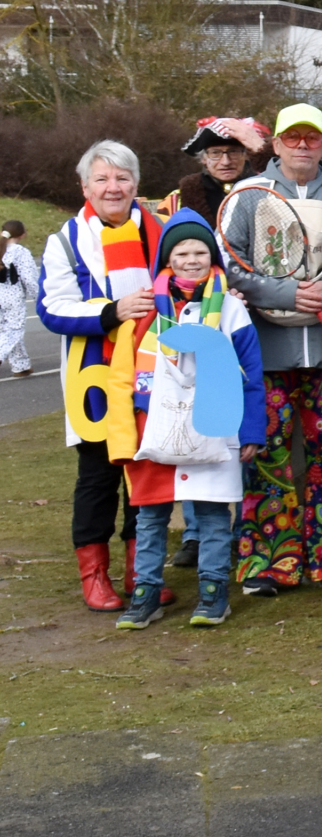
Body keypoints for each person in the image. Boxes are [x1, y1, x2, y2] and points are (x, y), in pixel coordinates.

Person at [226, 104, 322, 594]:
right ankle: (269, 561)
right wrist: (286, 294)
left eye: (312, 137)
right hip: (267, 355)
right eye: (292, 137)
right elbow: (230, 264)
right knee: (267, 454)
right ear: (276, 143)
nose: (302, 145)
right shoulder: (248, 195)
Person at [116, 210, 264, 629]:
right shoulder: (148, 307)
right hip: (157, 426)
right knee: (150, 515)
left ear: (212, 256)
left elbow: (251, 373)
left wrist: (251, 431)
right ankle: (145, 592)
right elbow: (128, 370)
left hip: (216, 424)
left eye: (200, 252)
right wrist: (131, 423)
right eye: (181, 253)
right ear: (168, 258)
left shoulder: (230, 309)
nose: (191, 260)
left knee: (214, 515)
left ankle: (213, 591)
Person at [42, 139, 165, 612]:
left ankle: (141, 571)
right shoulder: (66, 240)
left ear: (136, 184)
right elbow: (52, 308)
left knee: (145, 472)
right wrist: (113, 311)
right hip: (94, 373)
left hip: (152, 368)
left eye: (122, 177)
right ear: (85, 187)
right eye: (102, 178)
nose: (113, 187)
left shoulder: (160, 232)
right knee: (97, 476)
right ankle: (94, 576)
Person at [169, 117, 267, 219]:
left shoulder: (266, 189)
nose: (226, 162)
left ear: (246, 155)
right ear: (203, 158)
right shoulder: (179, 198)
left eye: (233, 152)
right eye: (215, 153)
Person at [0, 220, 36, 376]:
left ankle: (21, 365)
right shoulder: (20, 252)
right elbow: (29, 278)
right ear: (22, 235)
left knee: (5, 329)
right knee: (14, 329)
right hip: (12, 296)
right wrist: (38, 297)